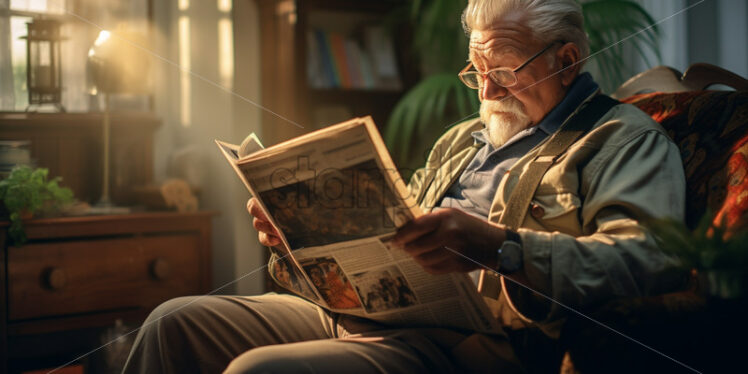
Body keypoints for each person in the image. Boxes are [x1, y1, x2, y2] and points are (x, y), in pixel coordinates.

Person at [122, 0, 686, 372]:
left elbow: (649, 257)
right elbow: (388, 246)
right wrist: (293, 236)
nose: (486, 93)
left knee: (258, 372)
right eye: (475, 72)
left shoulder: (619, 140)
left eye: (505, 72)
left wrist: (499, 247)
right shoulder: (461, 139)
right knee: (173, 324)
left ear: (567, 61)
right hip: (362, 314)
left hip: (463, 343)